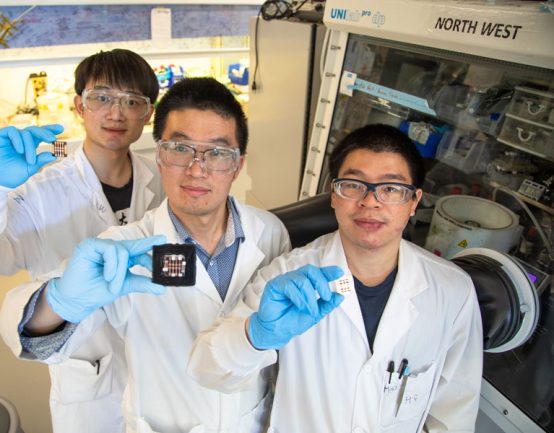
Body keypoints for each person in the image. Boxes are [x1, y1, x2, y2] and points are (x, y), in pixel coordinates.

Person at [0, 77, 291, 433]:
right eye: (180, 149)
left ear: (237, 165)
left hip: (249, 420)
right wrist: (61, 301)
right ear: (160, 156)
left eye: (216, 153)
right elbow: (34, 329)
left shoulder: (269, 232)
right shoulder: (126, 246)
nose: (197, 169)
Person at [189, 124, 483, 433]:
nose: (370, 202)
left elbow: (454, 410)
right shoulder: (287, 276)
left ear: (413, 202)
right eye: (354, 185)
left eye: (391, 189)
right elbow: (206, 369)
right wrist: (254, 335)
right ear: (334, 195)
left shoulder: (452, 290)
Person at [0, 49, 164, 433]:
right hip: (88, 373)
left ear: (148, 113)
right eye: (102, 97)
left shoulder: (160, 180)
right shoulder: (40, 191)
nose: (116, 113)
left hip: (158, 360)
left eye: (132, 101)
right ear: (80, 105)